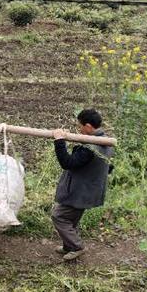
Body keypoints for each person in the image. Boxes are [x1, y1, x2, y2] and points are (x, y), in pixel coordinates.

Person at [51, 109, 114, 261]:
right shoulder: (105, 141)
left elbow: (67, 163)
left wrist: (59, 141)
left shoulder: (91, 148)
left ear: (88, 126)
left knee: (59, 216)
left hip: (80, 191)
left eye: (80, 126)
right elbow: (109, 167)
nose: (79, 129)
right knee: (71, 219)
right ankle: (69, 245)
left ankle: (76, 246)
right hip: (89, 189)